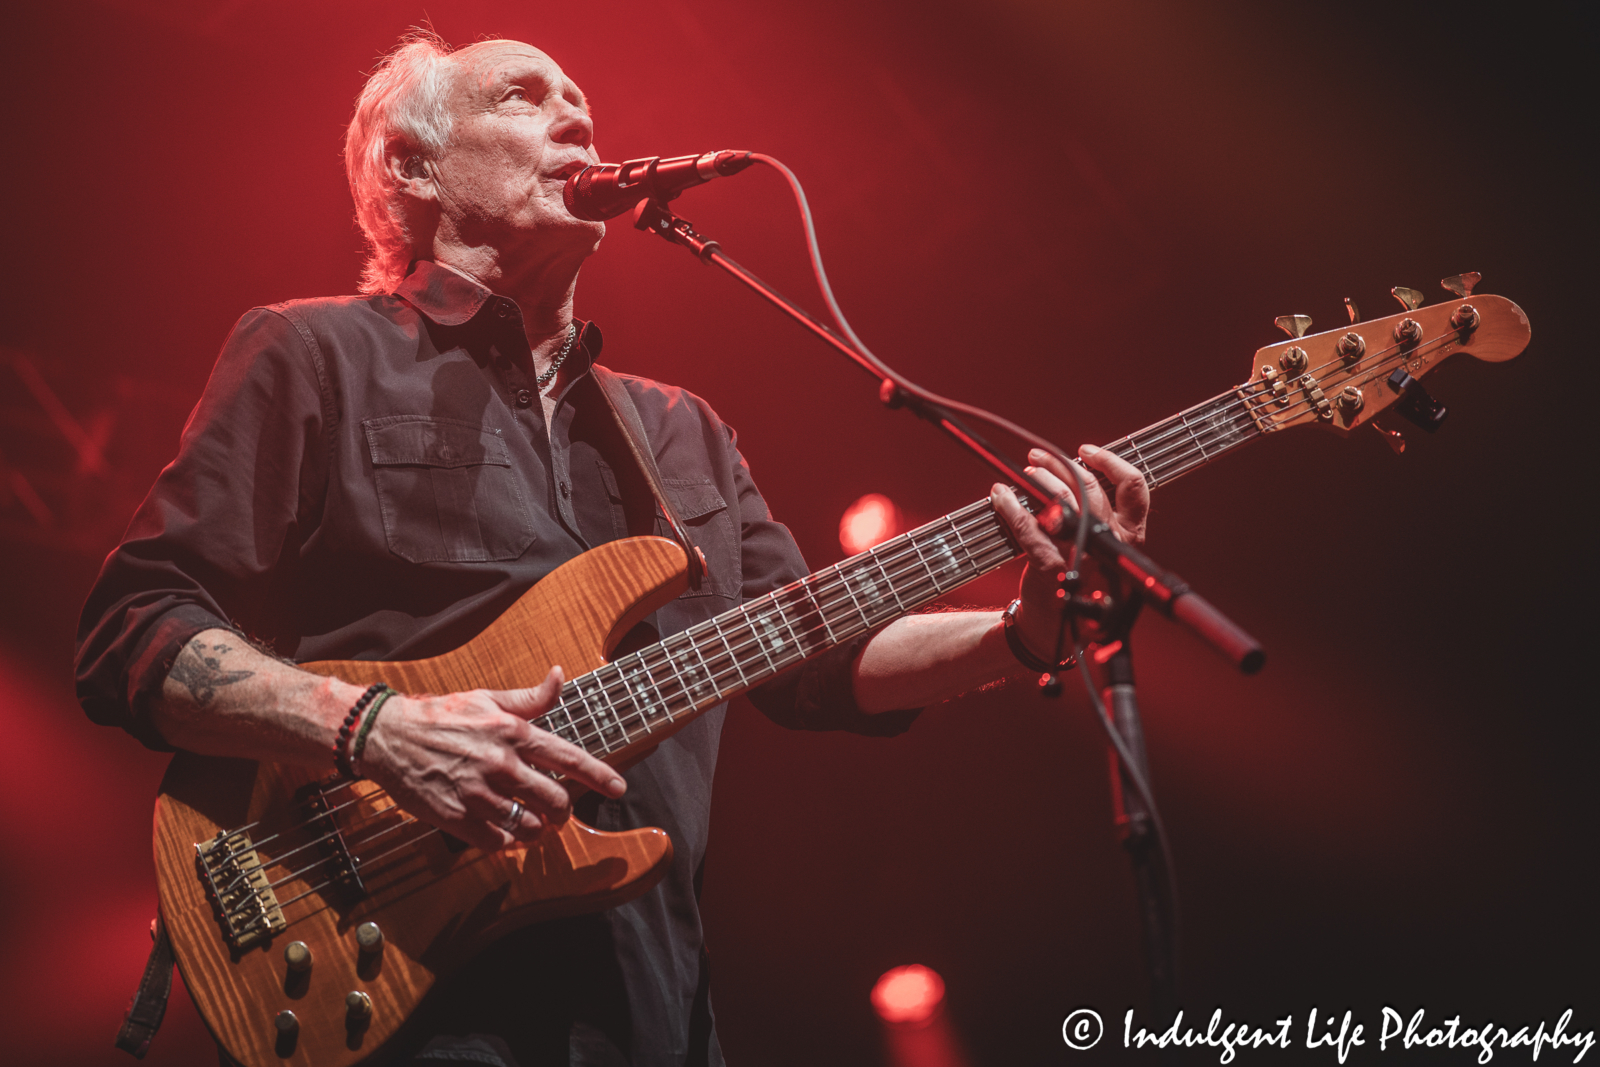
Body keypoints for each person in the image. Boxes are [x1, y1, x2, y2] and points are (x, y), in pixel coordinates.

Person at [75, 32, 1149, 1067]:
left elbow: (815, 661)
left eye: (580, 101)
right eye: (522, 96)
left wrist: (1023, 628)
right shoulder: (314, 351)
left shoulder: (680, 429)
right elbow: (138, 627)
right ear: (412, 164)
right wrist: (380, 729)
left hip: (652, 1004)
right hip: (397, 986)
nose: (576, 116)